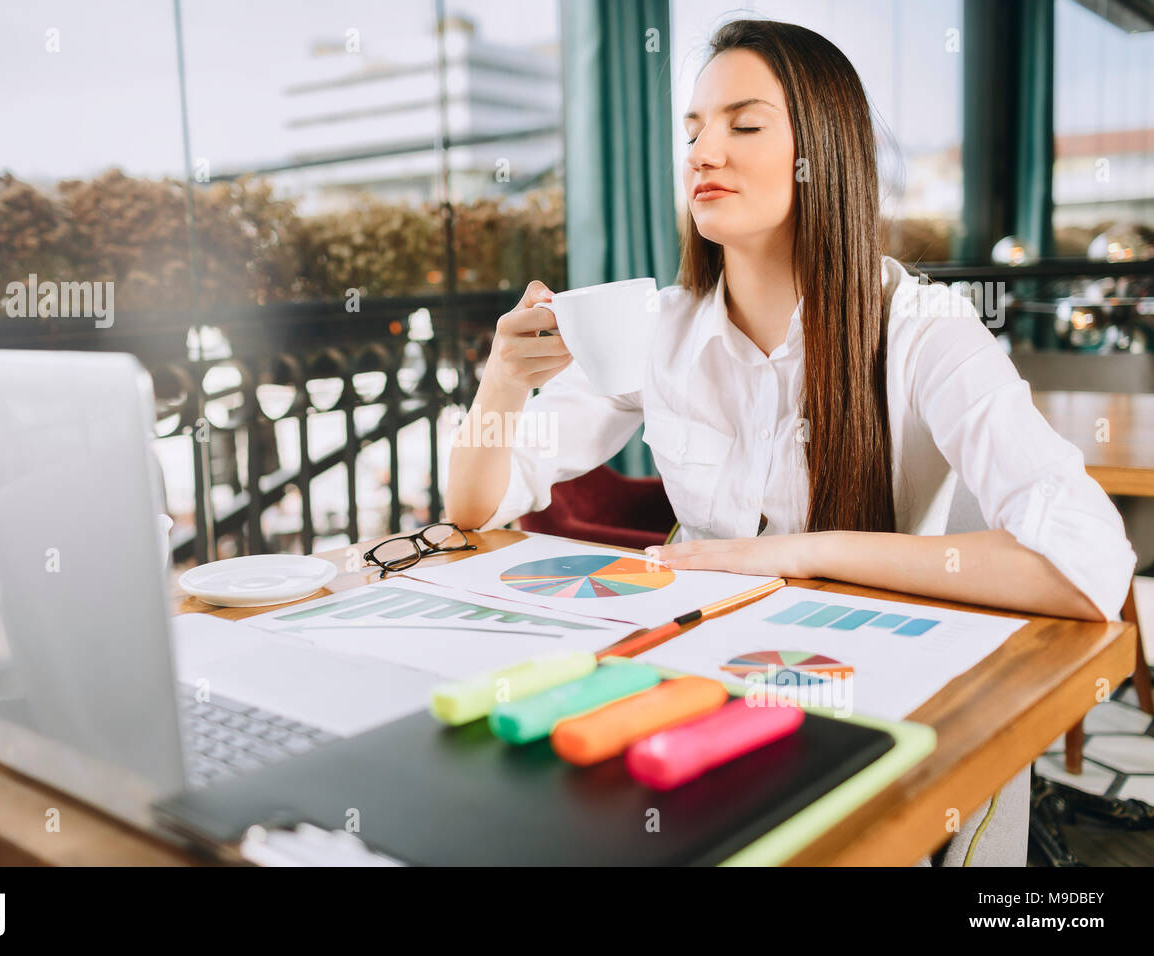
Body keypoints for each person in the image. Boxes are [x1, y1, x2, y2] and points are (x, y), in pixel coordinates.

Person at [444, 19, 1137, 865]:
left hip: (864, 683)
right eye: (693, 129)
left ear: (824, 152)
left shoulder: (923, 329)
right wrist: (502, 383)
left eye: (742, 124)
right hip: (693, 673)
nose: (703, 152)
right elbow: (475, 503)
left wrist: (804, 555)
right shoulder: (656, 328)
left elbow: (1086, 562)